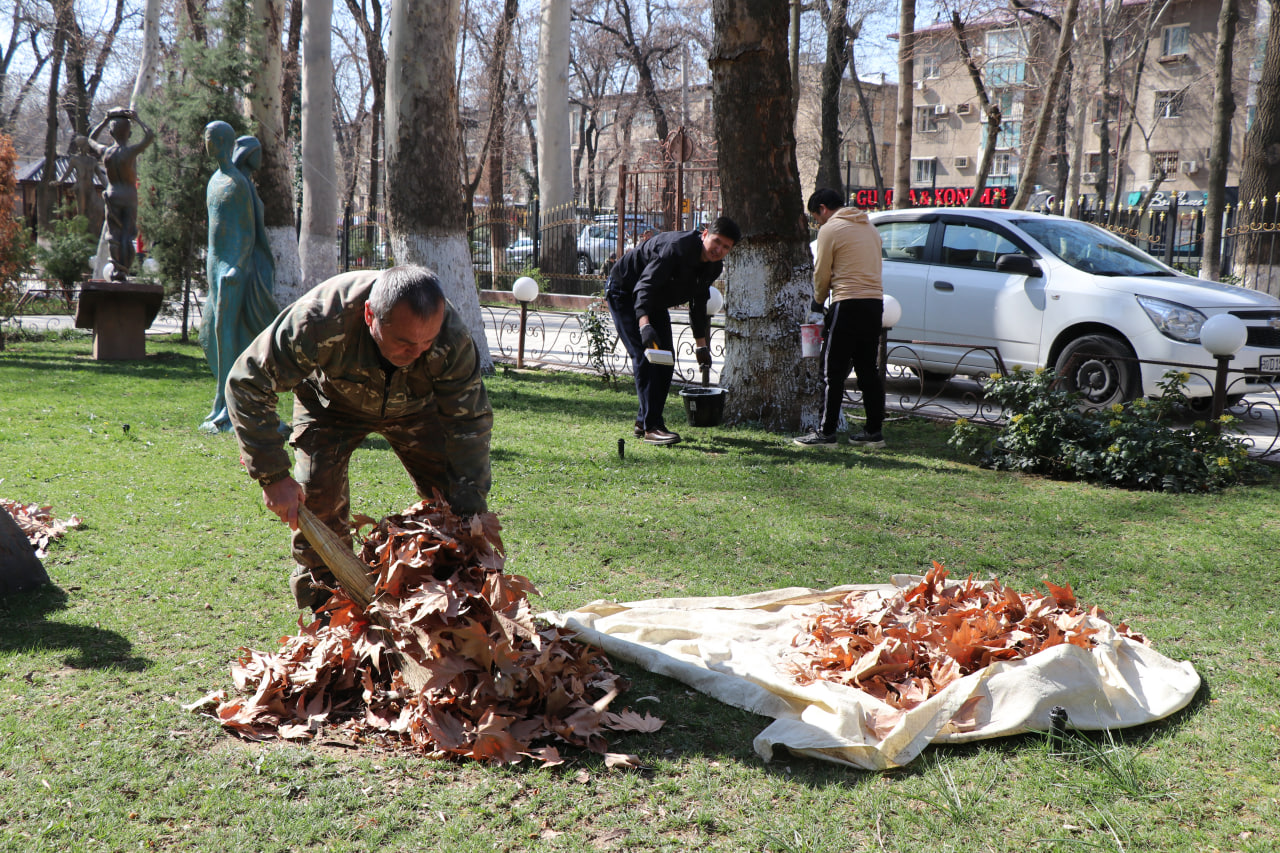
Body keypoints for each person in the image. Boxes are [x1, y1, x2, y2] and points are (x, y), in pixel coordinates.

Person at [225, 265, 493, 611]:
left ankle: (451, 600)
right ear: (370, 315)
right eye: (404, 342)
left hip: (417, 408)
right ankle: (329, 608)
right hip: (330, 407)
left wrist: (470, 511)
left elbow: (469, 421)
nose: (418, 351)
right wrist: (272, 476)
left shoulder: (450, 336)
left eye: (427, 342)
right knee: (316, 504)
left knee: (455, 501)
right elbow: (247, 382)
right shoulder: (320, 319)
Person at [605, 216, 739, 446]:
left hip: (654, 301)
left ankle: (643, 421)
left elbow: (698, 305)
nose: (719, 249)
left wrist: (701, 345)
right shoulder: (676, 248)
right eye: (716, 241)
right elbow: (644, 287)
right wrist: (644, 325)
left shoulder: (713, 267)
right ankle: (652, 427)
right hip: (626, 293)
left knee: (665, 359)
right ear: (705, 234)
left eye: (726, 247)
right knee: (645, 357)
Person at [793, 188, 886, 450]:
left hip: (847, 304)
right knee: (868, 370)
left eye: (816, 217)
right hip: (874, 304)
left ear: (823, 208)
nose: (817, 223)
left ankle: (825, 433)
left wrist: (817, 304)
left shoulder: (830, 229)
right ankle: (874, 432)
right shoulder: (870, 227)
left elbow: (822, 273)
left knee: (831, 372)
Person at [199, 122, 260, 433]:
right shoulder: (214, 181)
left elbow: (248, 231)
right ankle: (224, 401)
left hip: (231, 271)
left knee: (225, 335)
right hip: (213, 266)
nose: (205, 143)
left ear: (222, 142)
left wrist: (237, 265)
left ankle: (228, 404)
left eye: (209, 139)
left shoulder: (237, 184)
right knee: (210, 334)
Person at [84, 108, 155, 281]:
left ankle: (116, 269)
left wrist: (104, 120)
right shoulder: (130, 152)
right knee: (128, 234)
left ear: (110, 132)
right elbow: (150, 135)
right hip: (129, 195)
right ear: (129, 133)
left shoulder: (106, 152)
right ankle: (123, 270)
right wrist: (137, 119)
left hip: (112, 194)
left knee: (114, 234)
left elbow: (90, 140)